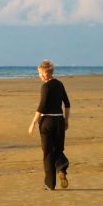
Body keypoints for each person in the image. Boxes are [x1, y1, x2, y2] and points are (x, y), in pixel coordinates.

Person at [28, 59, 70, 190]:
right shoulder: (60, 84)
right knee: (57, 149)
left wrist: (33, 123)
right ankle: (62, 168)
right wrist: (66, 120)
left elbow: (42, 107)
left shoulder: (46, 86)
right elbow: (67, 104)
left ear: (46, 73)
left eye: (40, 73)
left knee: (47, 153)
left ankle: (50, 183)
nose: (39, 75)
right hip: (59, 121)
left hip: (47, 122)